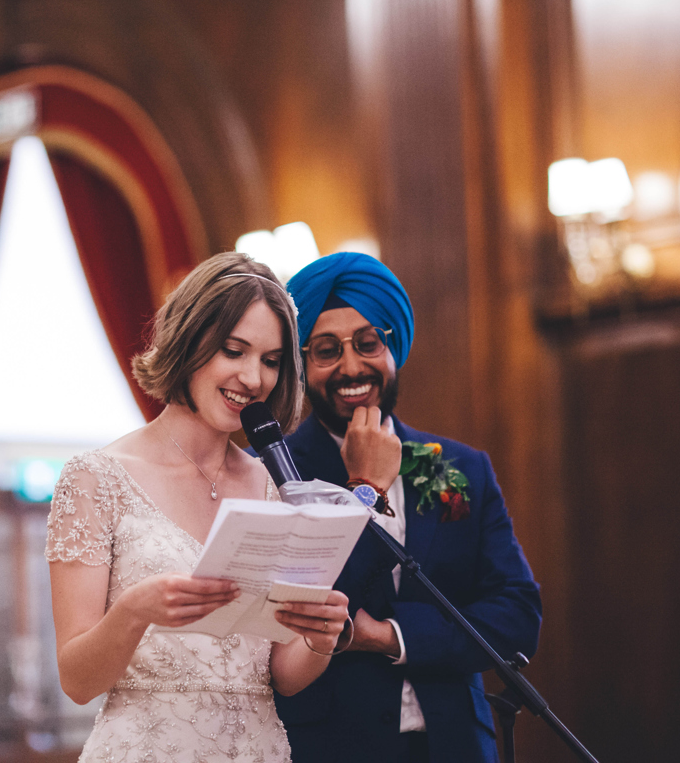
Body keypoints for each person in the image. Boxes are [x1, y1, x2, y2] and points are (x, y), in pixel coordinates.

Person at [46, 252, 352, 763]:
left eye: (271, 360)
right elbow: (76, 680)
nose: (253, 379)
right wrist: (134, 611)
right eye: (235, 351)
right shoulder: (96, 478)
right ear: (190, 342)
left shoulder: (276, 486)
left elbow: (281, 675)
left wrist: (320, 639)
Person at [274, 252, 542, 763]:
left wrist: (390, 636)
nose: (352, 367)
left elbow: (516, 614)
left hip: (456, 746)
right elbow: (298, 612)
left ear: (394, 347)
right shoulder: (270, 472)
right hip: (328, 748)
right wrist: (364, 487)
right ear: (302, 365)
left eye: (368, 343)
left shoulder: (464, 467)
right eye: (326, 350)